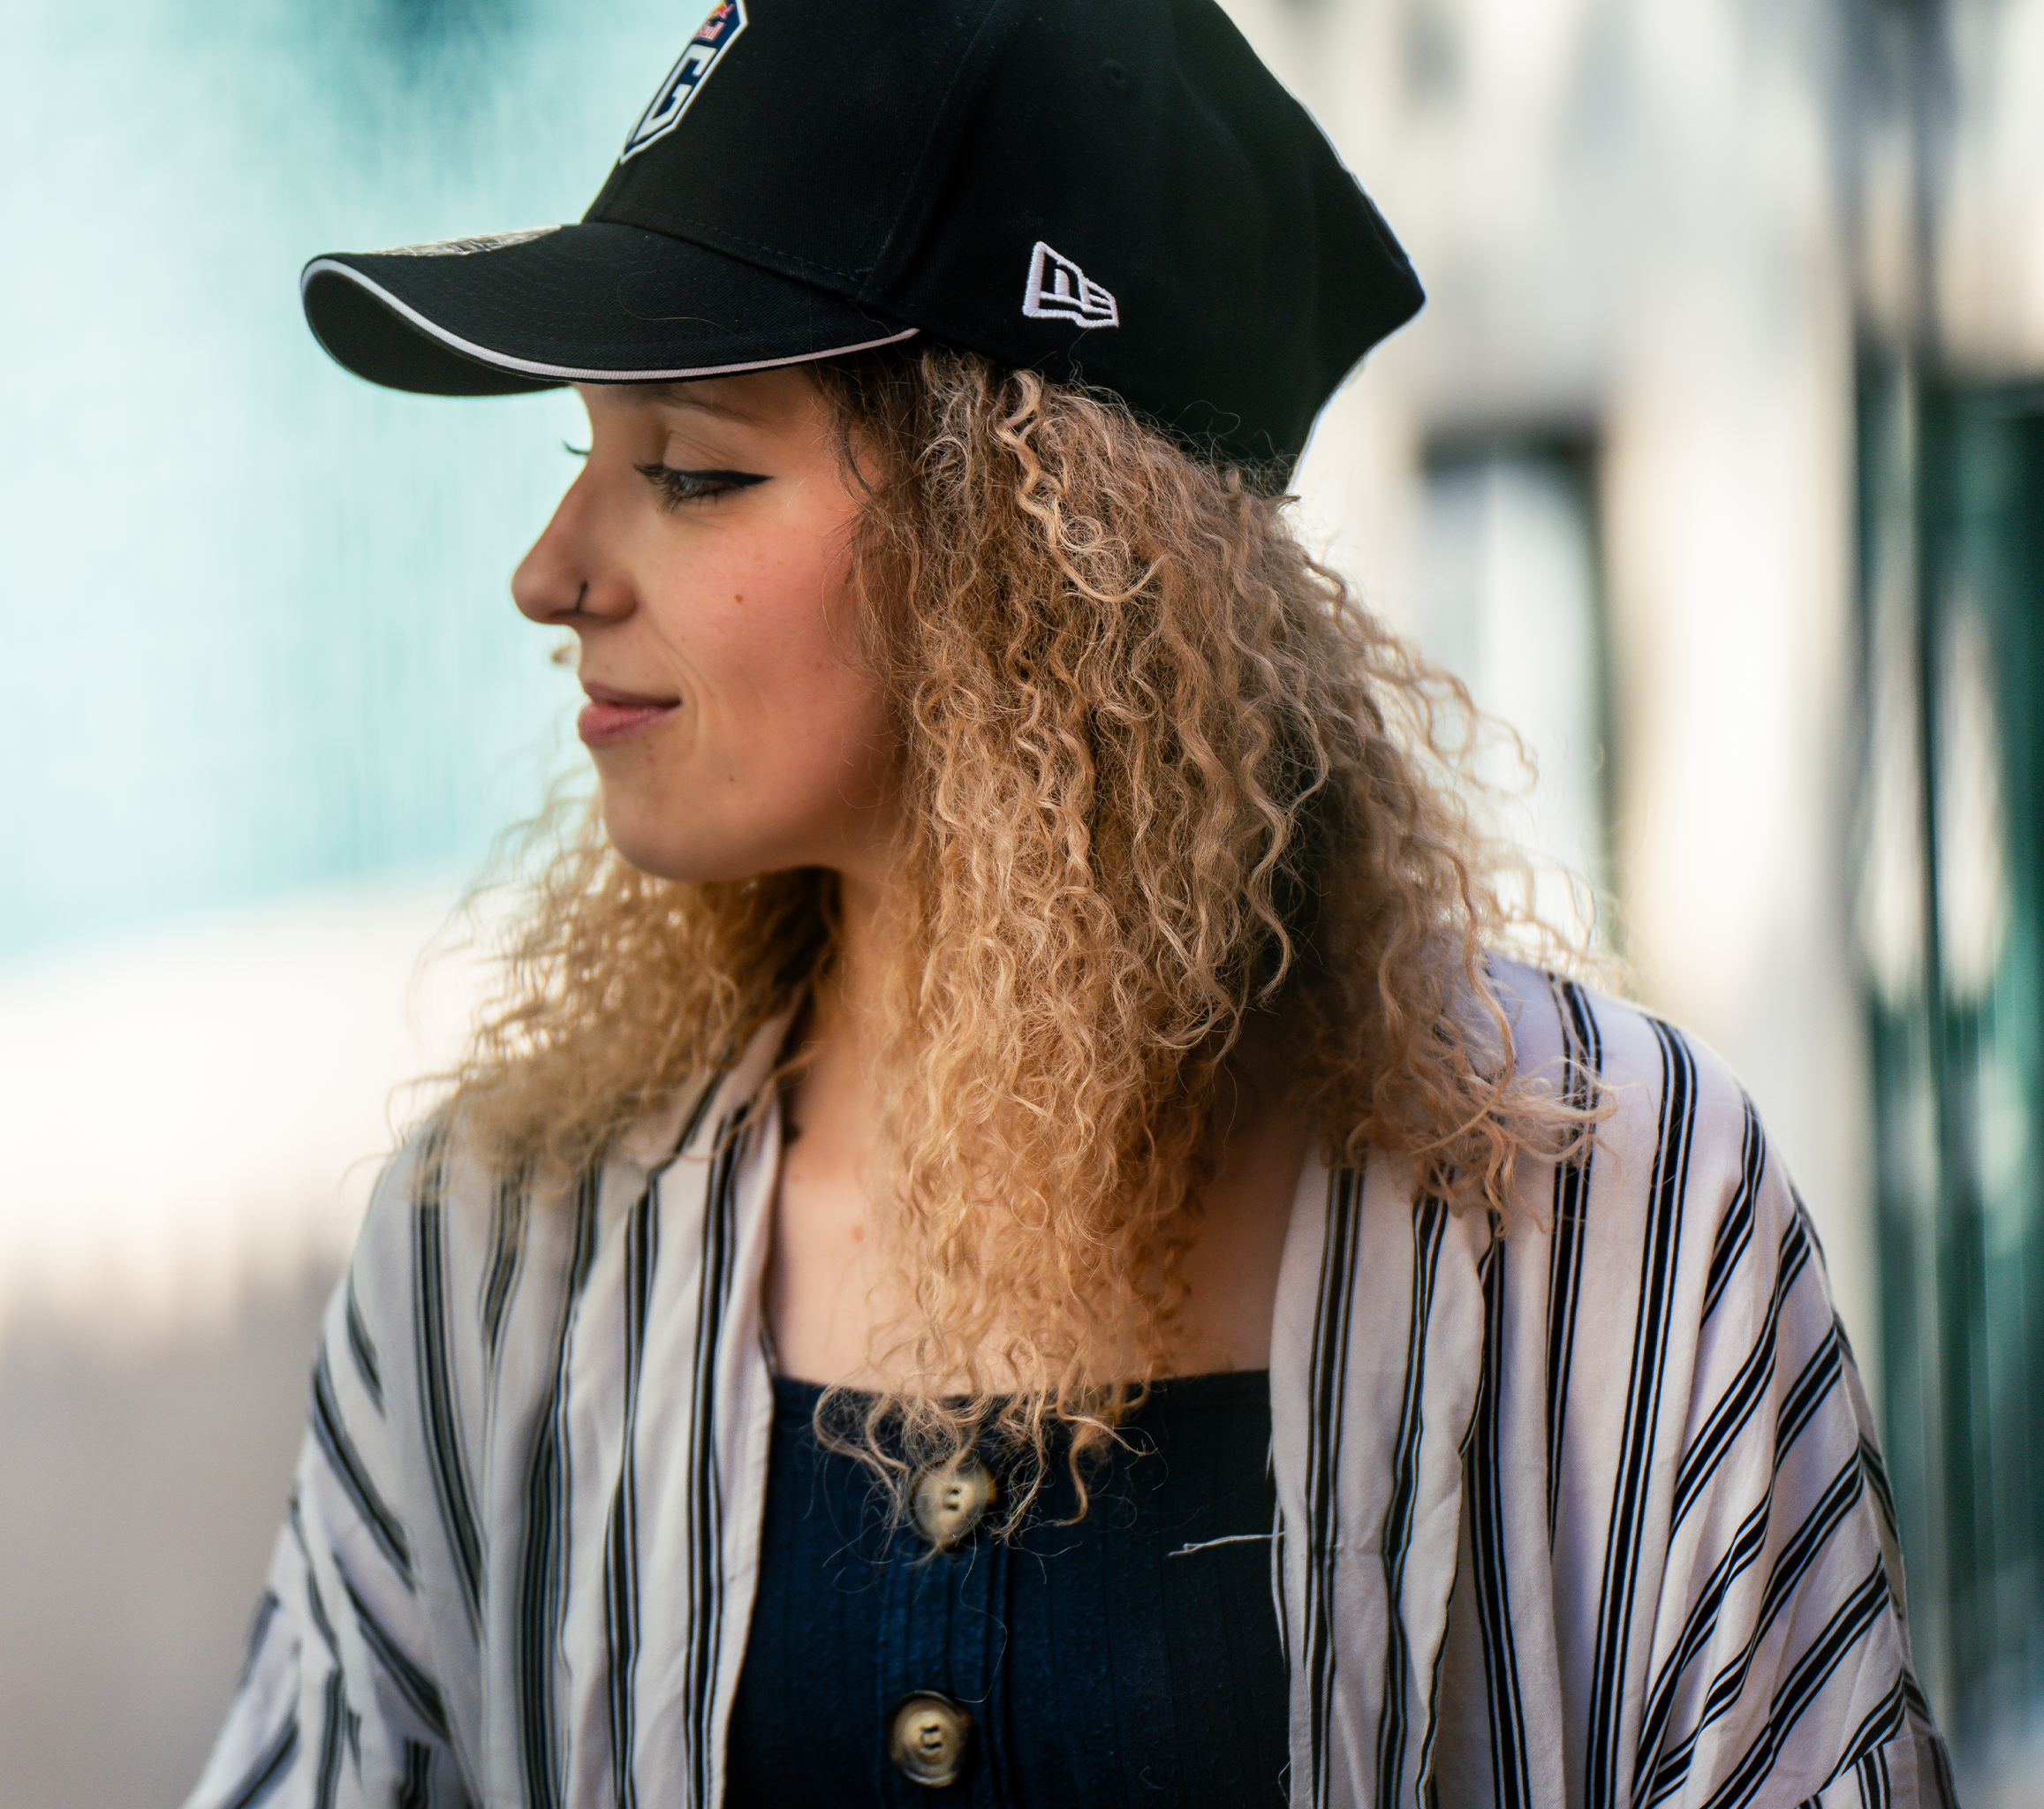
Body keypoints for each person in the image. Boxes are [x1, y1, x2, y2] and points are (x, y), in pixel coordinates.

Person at [185, 2, 1955, 1805]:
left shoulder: (1616, 1213)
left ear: (1032, 557)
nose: (549, 573)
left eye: (693, 469)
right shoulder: (502, 1242)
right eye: (580, 460)